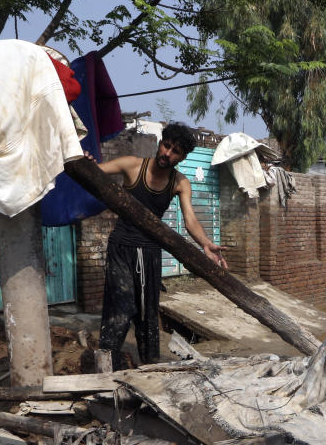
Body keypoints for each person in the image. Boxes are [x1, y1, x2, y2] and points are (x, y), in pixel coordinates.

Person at [92, 122, 227, 368]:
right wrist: (87, 163)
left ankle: (151, 366)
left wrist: (206, 244)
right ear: (159, 142)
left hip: (150, 252)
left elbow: (190, 220)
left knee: (147, 313)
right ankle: (106, 363)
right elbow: (95, 172)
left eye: (175, 151)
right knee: (121, 307)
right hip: (121, 247)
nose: (167, 154)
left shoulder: (180, 183)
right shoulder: (132, 166)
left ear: (183, 157)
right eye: (166, 146)